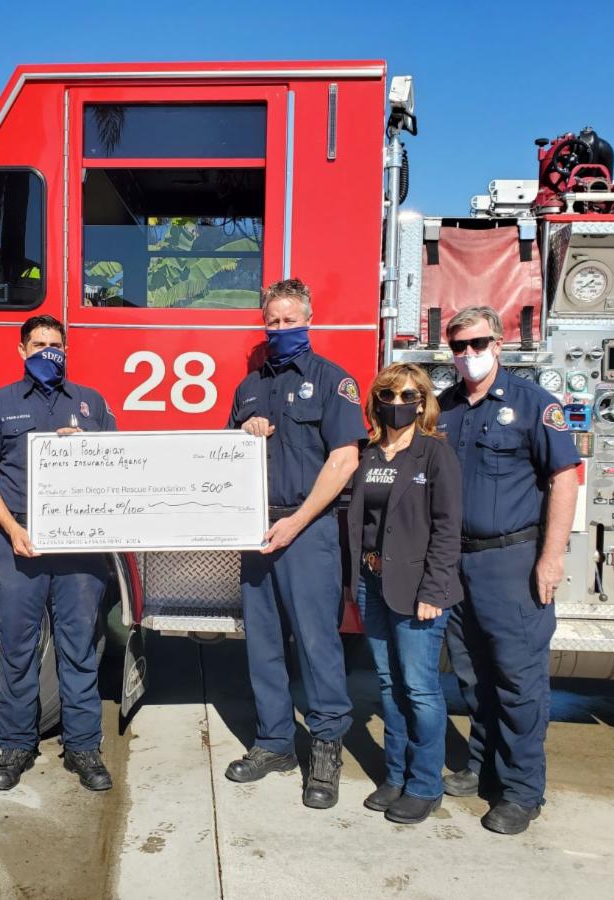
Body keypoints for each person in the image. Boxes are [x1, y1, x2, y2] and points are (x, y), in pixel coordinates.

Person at [436, 305, 580, 835]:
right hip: (456, 562)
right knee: (472, 676)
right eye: (459, 346)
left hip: (511, 562)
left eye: (478, 344)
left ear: (499, 344)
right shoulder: (444, 409)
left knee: (518, 681)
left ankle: (521, 791)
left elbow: (564, 478)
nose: (468, 355)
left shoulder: (533, 404)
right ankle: (483, 765)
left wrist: (551, 557)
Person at [225, 278, 367, 809]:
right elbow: (224, 459)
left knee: (316, 642)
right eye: (273, 321)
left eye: (290, 320)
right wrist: (244, 431)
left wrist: (297, 521)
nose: (281, 328)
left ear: (309, 320)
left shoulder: (333, 381)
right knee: (262, 643)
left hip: (307, 531)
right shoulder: (248, 388)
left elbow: (344, 460)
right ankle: (274, 743)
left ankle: (326, 750)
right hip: (256, 530)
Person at [0, 315, 118, 793]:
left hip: (79, 548)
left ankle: (83, 748)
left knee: (79, 649)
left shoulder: (92, 403)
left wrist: (89, 448)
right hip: (20, 542)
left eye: (56, 344)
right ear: (21, 350)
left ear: (66, 349)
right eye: (38, 344)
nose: (48, 352)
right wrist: (12, 529)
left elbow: (122, 468)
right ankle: (16, 746)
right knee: (17, 650)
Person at [345, 363, 462, 825]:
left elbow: (448, 529)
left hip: (418, 590)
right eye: (389, 395)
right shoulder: (368, 453)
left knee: (419, 688)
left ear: (423, 402)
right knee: (389, 684)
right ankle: (395, 776)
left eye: (409, 396)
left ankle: (425, 785)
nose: (398, 404)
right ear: (376, 401)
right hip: (371, 582)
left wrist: (434, 589)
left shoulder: (435, 454)